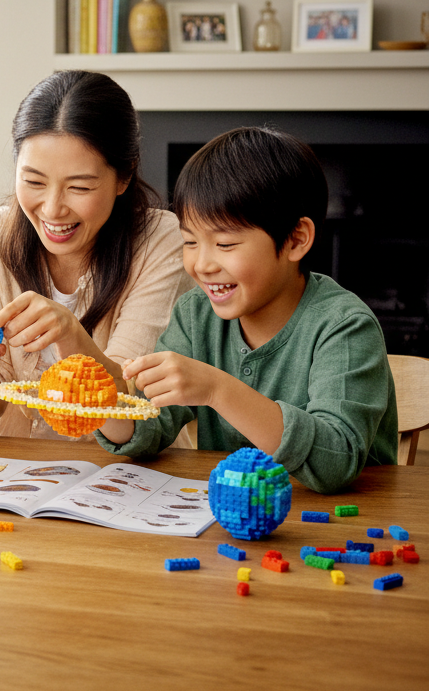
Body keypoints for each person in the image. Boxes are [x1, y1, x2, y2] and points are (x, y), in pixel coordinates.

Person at [97, 127, 399, 493]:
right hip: (233, 526)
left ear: (295, 239)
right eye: (190, 241)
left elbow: (335, 460)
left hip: (347, 529)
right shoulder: (195, 315)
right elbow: (147, 429)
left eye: (225, 243)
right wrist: (103, 399)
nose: (202, 265)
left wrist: (216, 389)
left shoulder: (344, 326)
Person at [0, 70, 193, 439]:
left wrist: (71, 335)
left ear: (124, 176)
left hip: (120, 475)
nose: (52, 208)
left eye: (79, 186)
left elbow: (130, 405)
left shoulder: (160, 240)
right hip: (14, 476)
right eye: (33, 182)